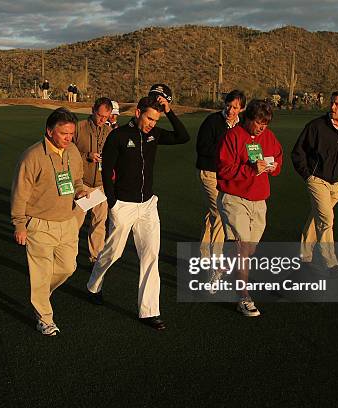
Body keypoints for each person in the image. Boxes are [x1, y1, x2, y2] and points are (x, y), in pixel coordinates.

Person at [86, 86, 190, 331]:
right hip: (123, 205)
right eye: (149, 118)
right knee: (114, 253)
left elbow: (183, 136)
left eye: (156, 119)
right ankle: (93, 284)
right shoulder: (118, 136)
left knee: (150, 255)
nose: (152, 124)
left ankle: (149, 311)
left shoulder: (155, 135)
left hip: (147, 205)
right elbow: (107, 173)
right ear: (137, 112)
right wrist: (113, 203)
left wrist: (170, 111)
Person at [11, 108, 87, 336]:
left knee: (67, 267)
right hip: (39, 224)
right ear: (49, 131)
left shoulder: (73, 151)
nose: (68, 138)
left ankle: (41, 294)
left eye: (71, 134)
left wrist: (81, 191)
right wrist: (19, 224)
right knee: (41, 273)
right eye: (63, 133)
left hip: (67, 221)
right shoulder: (32, 156)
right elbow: (20, 193)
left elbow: (77, 179)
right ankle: (44, 319)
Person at [216, 99, 282, 317]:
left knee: (249, 250)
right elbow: (224, 170)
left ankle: (223, 265)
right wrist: (251, 169)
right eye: (258, 122)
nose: (262, 127)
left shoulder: (268, 136)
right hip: (235, 198)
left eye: (265, 123)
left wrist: (273, 166)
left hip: (259, 200)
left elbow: (278, 157)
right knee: (244, 248)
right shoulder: (232, 137)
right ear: (248, 118)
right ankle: (243, 297)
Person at [291, 91, 338, 274]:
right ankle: (331, 262)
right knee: (326, 219)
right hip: (317, 180)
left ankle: (304, 256)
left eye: (337, 104)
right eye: (332, 103)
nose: (332, 107)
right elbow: (298, 152)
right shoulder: (316, 126)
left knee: (317, 217)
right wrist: (308, 176)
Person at [195, 90, 246, 282]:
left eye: (235, 107)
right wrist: (227, 154)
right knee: (219, 210)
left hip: (229, 174)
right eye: (228, 105)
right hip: (210, 172)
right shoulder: (212, 121)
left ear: (242, 108)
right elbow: (202, 147)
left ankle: (203, 256)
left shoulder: (242, 126)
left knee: (212, 213)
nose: (231, 110)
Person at [73, 97, 113, 264]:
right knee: (75, 223)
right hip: (82, 184)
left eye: (106, 117)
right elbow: (68, 154)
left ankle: (96, 257)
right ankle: (69, 254)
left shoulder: (108, 132)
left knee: (99, 224)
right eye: (100, 115)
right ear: (92, 110)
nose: (102, 120)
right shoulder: (78, 128)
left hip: (101, 185)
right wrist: (87, 156)